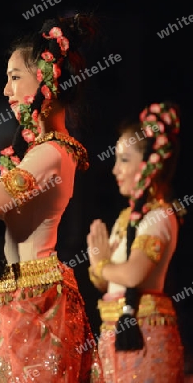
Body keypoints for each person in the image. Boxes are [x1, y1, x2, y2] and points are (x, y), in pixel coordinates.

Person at [0, 15, 104, 382]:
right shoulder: (32, 154)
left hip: (39, 304)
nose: (7, 90)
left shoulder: (50, 154)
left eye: (15, 77)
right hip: (17, 300)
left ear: (47, 81)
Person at [87, 101, 185, 382]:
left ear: (150, 163)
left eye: (124, 160)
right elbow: (109, 282)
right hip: (116, 334)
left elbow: (132, 274)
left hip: (144, 336)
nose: (115, 169)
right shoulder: (125, 218)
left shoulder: (159, 216)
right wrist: (99, 268)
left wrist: (101, 265)